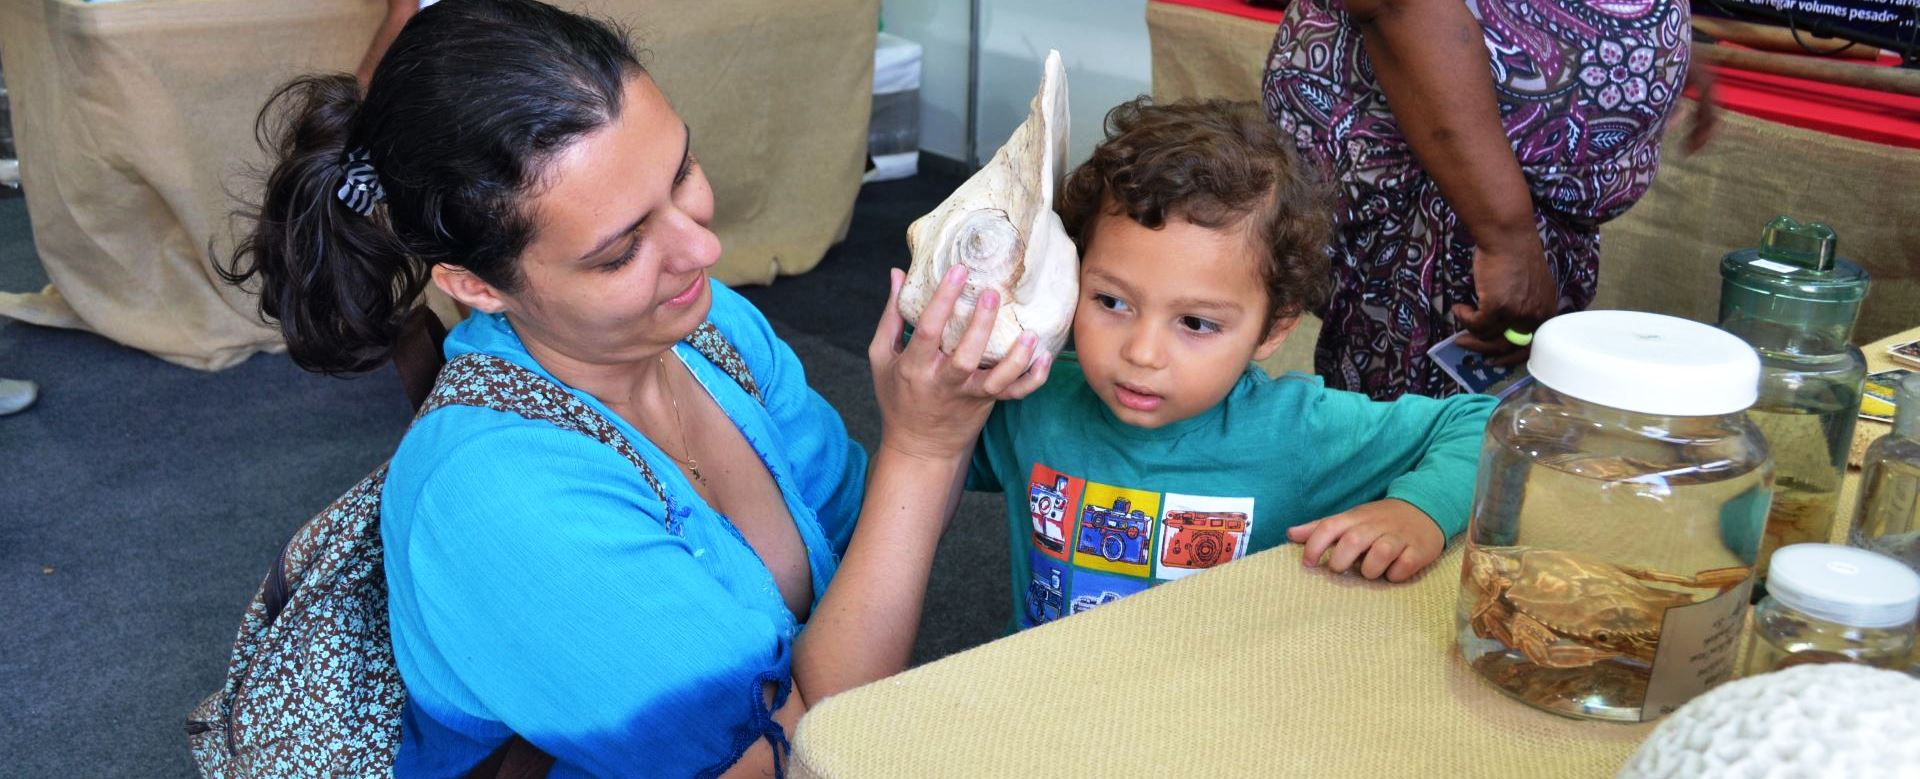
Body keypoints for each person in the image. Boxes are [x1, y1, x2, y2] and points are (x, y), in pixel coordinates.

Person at [220, 1, 1048, 775]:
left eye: (681, 171)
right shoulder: (498, 497)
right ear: (475, 285)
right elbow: (789, 758)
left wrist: (949, 402)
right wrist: (926, 444)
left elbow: (867, 550)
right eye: (620, 250)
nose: (701, 249)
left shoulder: (705, 324)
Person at [966, 98, 1496, 631]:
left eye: (1196, 323)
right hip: (1048, 701)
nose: (1142, 353)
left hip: (1218, 707)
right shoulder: (1030, 397)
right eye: (1112, 302)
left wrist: (1421, 510)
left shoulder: (1296, 430)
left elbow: (1480, 425)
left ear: (1273, 329)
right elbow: (928, 442)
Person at [1263, 0, 1714, 399]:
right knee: (1430, 446)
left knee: (1492, 434)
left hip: (1489, 188)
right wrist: (1506, 235)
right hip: (1444, 173)